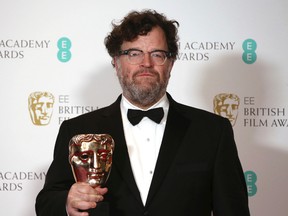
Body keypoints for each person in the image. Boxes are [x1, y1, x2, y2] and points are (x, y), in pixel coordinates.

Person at [35, 9, 250, 216]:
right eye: (134, 53)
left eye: (157, 54)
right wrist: (67, 203)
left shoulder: (213, 131)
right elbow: (46, 203)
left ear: (171, 64)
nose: (146, 63)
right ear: (116, 62)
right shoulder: (78, 130)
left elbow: (233, 210)